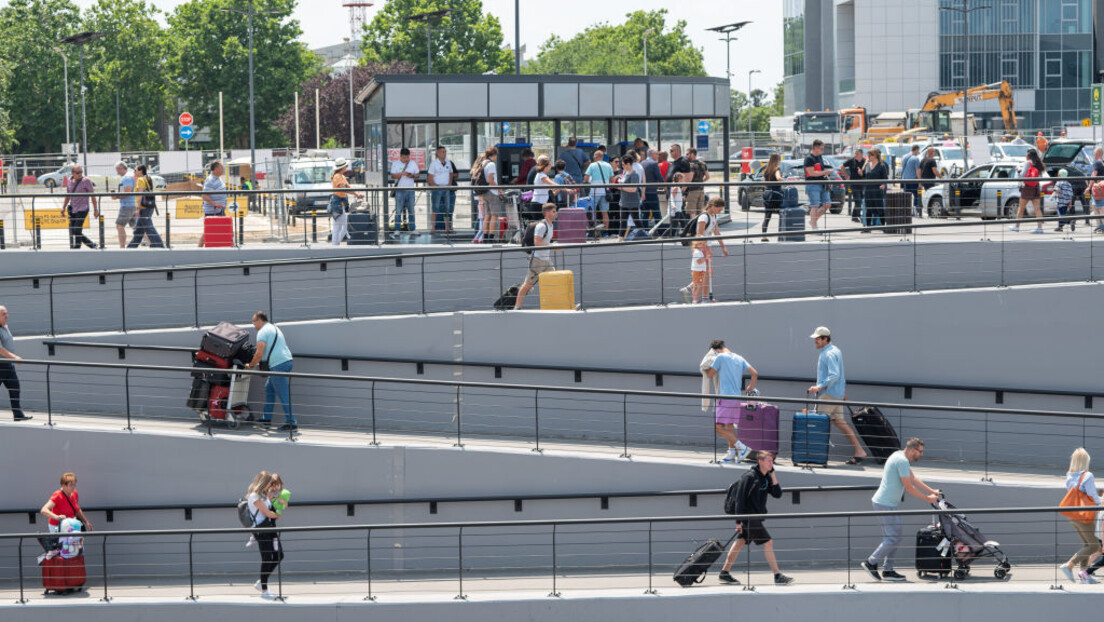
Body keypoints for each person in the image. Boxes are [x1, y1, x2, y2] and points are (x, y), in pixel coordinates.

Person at [861, 438, 939, 582]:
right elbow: (909, 487)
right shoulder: (901, 461)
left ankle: (888, 570)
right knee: (893, 538)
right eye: (920, 451)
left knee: (893, 537)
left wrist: (931, 490)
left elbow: (913, 478)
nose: (921, 454)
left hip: (888, 503)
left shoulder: (899, 455)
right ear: (912, 450)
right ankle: (871, 562)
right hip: (885, 504)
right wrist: (927, 499)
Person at [717, 451, 794, 585]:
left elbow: (777, 494)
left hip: (755, 517)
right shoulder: (749, 477)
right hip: (748, 517)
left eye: (772, 461)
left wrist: (772, 473)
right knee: (768, 542)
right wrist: (738, 522)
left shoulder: (765, 477)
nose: (771, 463)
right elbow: (740, 500)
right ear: (760, 462)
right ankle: (777, 576)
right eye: (768, 461)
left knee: (740, 542)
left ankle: (724, 573)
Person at [806, 326, 868, 464]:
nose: (815, 341)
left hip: (827, 395)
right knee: (840, 423)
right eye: (815, 338)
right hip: (836, 395)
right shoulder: (836, 351)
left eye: (818, 338)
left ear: (825, 339)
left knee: (818, 424)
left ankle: (814, 456)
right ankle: (860, 451)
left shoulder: (828, 354)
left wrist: (818, 387)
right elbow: (840, 375)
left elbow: (834, 375)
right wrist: (841, 391)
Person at [704, 339, 757, 462]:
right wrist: (751, 385)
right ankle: (731, 453)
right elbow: (755, 373)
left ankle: (742, 447)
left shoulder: (720, 357)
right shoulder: (739, 358)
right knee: (728, 426)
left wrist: (705, 366)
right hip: (736, 398)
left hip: (726, 398)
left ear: (716, 350)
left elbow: (710, 374)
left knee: (718, 428)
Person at [245, 311, 296, 432]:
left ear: (260, 320)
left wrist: (250, 365)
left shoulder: (262, 332)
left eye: (253, 321)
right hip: (285, 361)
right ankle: (266, 419)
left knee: (283, 393)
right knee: (269, 389)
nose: (253, 324)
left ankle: (291, 423)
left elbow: (259, 353)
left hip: (278, 365)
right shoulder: (273, 327)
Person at [1058, 448, 1102, 584]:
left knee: (1086, 544)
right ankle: (1069, 565)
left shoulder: (1069, 475)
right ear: (1085, 461)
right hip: (1084, 515)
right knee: (1094, 546)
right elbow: (1093, 496)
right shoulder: (1087, 475)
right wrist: (1102, 500)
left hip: (1073, 514)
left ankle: (1085, 575)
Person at [678, 198, 728, 303]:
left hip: (705, 247)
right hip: (700, 249)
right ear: (713, 206)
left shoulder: (713, 216)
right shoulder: (704, 217)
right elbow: (699, 234)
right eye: (719, 209)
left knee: (707, 273)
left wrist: (723, 247)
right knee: (704, 273)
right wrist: (707, 250)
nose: (720, 211)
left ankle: (694, 292)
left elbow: (717, 232)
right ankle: (696, 294)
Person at [246, 471, 285, 600]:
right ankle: (264, 590)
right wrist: (276, 513)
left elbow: (273, 512)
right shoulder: (254, 497)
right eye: (269, 483)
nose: (270, 485)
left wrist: (280, 504)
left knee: (279, 555)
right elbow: (267, 513)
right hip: (261, 531)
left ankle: (261, 582)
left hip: (270, 530)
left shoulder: (263, 496)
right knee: (267, 557)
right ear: (263, 482)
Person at [514, 203, 559, 310]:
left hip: (546, 261)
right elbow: (537, 243)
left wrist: (549, 255)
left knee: (556, 281)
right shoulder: (541, 226)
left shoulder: (551, 225)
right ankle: (516, 307)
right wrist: (552, 247)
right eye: (553, 211)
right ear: (547, 213)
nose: (556, 213)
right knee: (527, 285)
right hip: (537, 261)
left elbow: (545, 242)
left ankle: (561, 305)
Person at [0, 306, 30, 421]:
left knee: (15, 387)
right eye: (3, 314)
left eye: (7, 313)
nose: (6, 315)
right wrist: (15, 357)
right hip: (0, 365)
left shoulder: (5, 327)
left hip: (8, 365)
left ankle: (18, 415)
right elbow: (0, 349)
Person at [60, 165, 99, 249]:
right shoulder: (69, 181)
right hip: (73, 209)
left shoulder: (86, 181)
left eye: (81, 172)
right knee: (75, 230)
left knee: (76, 230)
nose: (80, 174)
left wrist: (96, 209)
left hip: (83, 209)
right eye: (78, 172)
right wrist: (63, 207)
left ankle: (90, 245)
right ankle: (78, 247)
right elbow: (68, 196)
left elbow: (93, 196)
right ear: (72, 173)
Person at [127, 165, 165, 248]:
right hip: (149, 207)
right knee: (138, 231)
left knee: (149, 228)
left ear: (140, 171)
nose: (134, 172)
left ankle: (159, 245)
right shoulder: (148, 178)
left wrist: (138, 208)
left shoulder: (140, 180)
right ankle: (130, 248)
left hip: (143, 208)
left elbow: (140, 194)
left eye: (135, 170)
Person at [328, 159, 363, 246]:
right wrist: (356, 194)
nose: (347, 167)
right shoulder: (338, 177)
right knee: (339, 226)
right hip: (338, 204)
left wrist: (357, 194)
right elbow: (344, 188)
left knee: (340, 226)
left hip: (339, 204)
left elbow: (347, 187)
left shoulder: (341, 176)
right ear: (342, 167)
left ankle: (335, 244)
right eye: (346, 166)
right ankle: (335, 245)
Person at [1009, 149, 1044, 234]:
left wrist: (1018, 170)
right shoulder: (1039, 164)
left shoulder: (1027, 163)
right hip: (1036, 187)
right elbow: (1040, 176)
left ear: (1028, 155)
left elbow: (1022, 175)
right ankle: (1040, 228)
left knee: (1021, 208)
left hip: (1027, 188)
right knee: (1037, 209)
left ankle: (1016, 226)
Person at [803, 140, 833, 231]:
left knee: (827, 204)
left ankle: (813, 220)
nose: (822, 150)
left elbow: (822, 170)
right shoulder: (809, 159)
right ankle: (814, 226)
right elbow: (811, 173)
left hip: (822, 183)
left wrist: (828, 179)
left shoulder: (820, 156)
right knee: (815, 205)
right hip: (813, 184)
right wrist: (825, 172)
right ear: (815, 147)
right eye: (821, 148)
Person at [198, 160, 227, 247]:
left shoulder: (217, 179)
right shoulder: (210, 180)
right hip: (213, 210)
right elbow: (204, 195)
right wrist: (215, 204)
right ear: (215, 169)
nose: (223, 169)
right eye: (221, 168)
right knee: (208, 231)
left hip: (219, 210)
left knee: (211, 230)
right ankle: (199, 248)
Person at [427, 147, 456, 233]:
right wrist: (434, 186)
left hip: (446, 188)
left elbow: (451, 173)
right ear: (438, 153)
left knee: (447, 208)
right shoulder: (434, 163)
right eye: (442, 152)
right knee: (435, 208)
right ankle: (433, 228)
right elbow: (430, 177)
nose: (444, 153)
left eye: (445, 152)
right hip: (437, 188)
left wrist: (449, 184)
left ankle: (447, 227)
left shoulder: (448, 162)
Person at [390, 148, 419, 232]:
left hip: (410, 190)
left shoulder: (413, 163)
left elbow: (417, 175)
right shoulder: (395, 164)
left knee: (411, 210)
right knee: (398, 210)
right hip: (399, 190)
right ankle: (397, 229)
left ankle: (413, 229)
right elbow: (392, 176)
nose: (406, 159)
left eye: (407, 157)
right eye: (404, 158)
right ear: (400, 156)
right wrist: (401, 174)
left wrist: (411, 175)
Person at [583, 150, 613, 232]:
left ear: (597, 157)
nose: (594, 158)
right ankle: (606, 231)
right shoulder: (608, 165)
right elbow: (612, 179)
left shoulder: (592, 165)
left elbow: (586, 178)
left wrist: (589, 182)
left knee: (592, 211)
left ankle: (593, 231)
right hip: (606, 191)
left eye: (594, 157)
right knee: (605, 212)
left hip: (595, 191)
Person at [111, 161, 136, 248]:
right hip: (132, 205)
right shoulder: (128, 177)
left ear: (121, 168)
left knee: (120, 226)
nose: (117, 172)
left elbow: (127, 192)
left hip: (127, 206)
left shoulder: (127, 178)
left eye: (117, 170)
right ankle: (151, 244)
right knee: (135, 227)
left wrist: (116, 196)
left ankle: (122, 247)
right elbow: (123, 192)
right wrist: (116, 194)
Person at [760, 153, 784, 242]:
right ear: (777, 160)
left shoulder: (766, 171)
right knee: (783, 213)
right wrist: (785, 181)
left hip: (767, 194)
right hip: (776, 194)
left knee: (767, 216)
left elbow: (764, 184)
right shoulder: (777, 169)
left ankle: (764, 236)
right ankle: (782, 234)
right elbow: (779, 178)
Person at [862, 149, 889, 228]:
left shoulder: (881, 166)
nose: (868, 157)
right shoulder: (867, 165)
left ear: (874, 156)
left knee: (879, 208)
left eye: (870, 156)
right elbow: (865, 176)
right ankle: (868, 227)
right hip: (868, 190)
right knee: (868, 209)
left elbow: (885, 178)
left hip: (877, 190)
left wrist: (883, 184)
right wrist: (861, 172)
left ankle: (884, 226)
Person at [618, 154, 643, 237]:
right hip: (624, 201)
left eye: (623, 164)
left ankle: (644, 235)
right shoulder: (625, 173)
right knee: (623, 221)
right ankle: (620, 239)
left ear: (628, 164)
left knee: (636, 220)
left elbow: (633, 189)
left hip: (632, 202)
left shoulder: (634, 174)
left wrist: (621, 187)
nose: (622, 166)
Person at [483, 148, 504, 239]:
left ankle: (485, 237)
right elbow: (491, 180)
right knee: (494, 215)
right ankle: (491, 237)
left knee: (487, 215)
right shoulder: (491, 164)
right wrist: (499, 189)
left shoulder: (483, 163)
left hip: (485, 191)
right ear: (494, 155)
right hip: (492, 192)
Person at [840, 149, 865, 223]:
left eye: (857, 154)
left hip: (863, 184)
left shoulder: (865, 161)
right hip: (854, 184)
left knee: (861, 201)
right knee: (858, 200)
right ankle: (856, 216)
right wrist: (846, 176)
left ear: (861, 154)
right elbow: (842, 166)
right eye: (855, 153)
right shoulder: (851, 161)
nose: (855, 155)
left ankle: (855, 216)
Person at [684, 148, 710, 220]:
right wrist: (701, 182)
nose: (686, 156)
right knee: (700, 211)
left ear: (692, 154)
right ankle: (700, 228)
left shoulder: (691, 165)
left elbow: (689, 179)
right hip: (701, 190)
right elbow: (708, 176)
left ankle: (693, 228)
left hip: (692, 191)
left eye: (687, 154)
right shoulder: (702, 163)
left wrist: (683, 190)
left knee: (692, 212)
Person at [641, 149, 663, 225]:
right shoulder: (653, 164)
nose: (658, 156)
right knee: (657, 213)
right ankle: (661, 231)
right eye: (657, 154)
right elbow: (659, 177)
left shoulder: (642, 163)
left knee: (645, 213)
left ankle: (645, 231)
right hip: (652, 192)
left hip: (644, 192)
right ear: (652, 154)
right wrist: (665, 185)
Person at [900, 144, 923, 216]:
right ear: (916, 150)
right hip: (913, 180)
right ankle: (915, 210)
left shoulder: (904, 157)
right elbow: (918, 170)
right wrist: (920, 181)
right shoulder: (915, 158)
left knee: (907, 197)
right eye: (918, 151)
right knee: (916, 195)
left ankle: (906, 211)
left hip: (905, 180)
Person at [1053, 168, 1075, 233]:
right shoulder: (1068, 183)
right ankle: (1060, 227)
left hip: (1060, 201)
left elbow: (1056, 191)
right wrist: (1070, 203)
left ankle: (1069, 221)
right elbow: (1071, 194)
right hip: (1066, 202)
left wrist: (1053, 193)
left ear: (1059, 175)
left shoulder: (1059, 182)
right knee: (1063, 214)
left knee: (1060, 215)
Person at [1090, 148, 1104, 233]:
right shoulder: (1103, 162)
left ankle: (1100, 227)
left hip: (1098, 188)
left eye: (1094, 153)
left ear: (1097, 154)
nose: (1093, 155)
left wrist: (1089, 186)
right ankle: (1099, 226)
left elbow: (1094, 175)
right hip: (1102, 187)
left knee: (1100, 208)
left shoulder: (1096, 163)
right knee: (1094, 206)